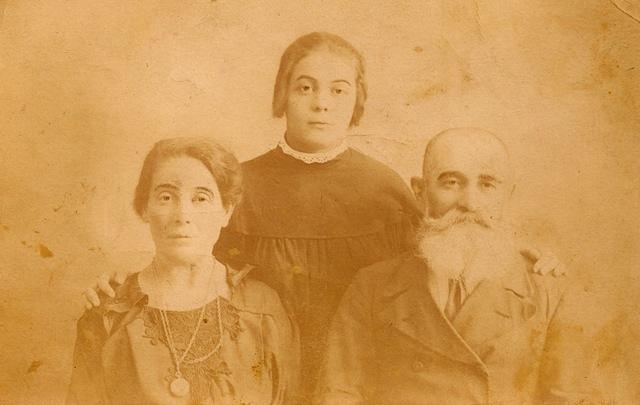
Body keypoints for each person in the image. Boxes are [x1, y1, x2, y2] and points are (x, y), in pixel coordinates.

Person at [82, 34, 564, 400]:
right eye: (305, 87)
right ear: (281, 96)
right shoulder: (237, 185)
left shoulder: (385, 189)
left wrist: (522, 259)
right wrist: (121, 288)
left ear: (357, 100)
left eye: (338, 89)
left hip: (361, 377)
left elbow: (444, 261)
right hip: (255, 371)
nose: (321, 103)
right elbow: (186, 261)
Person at [314, 128, 598, 404]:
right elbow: (338, 394)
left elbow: (572, 399)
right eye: (451, 182)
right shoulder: (372, 286)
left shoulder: (549, 291)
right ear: (420, 191)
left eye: (487, 185)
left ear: (508, 194)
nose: (470, 203)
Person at [67, 138, 299, 405]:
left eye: (201, 198)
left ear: (226, 211)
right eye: (166, 197)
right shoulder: (109, 316)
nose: (183, 214)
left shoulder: (263, 309)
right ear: (144, 209)